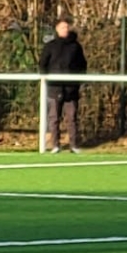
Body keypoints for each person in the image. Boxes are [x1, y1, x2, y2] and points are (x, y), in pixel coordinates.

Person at [39, 18, 87, 153]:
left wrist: (78, 82)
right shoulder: (50, 46)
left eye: (67, 27)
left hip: (71, 89)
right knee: (54, 118)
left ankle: (74, 145)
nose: (65, 30)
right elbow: (42, 64)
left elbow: (82, 65)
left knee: (72, 118)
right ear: (57, 29)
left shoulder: (75, 47)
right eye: (62, 27)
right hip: (54, 88)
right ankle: (55, 145)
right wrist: (46, 80)